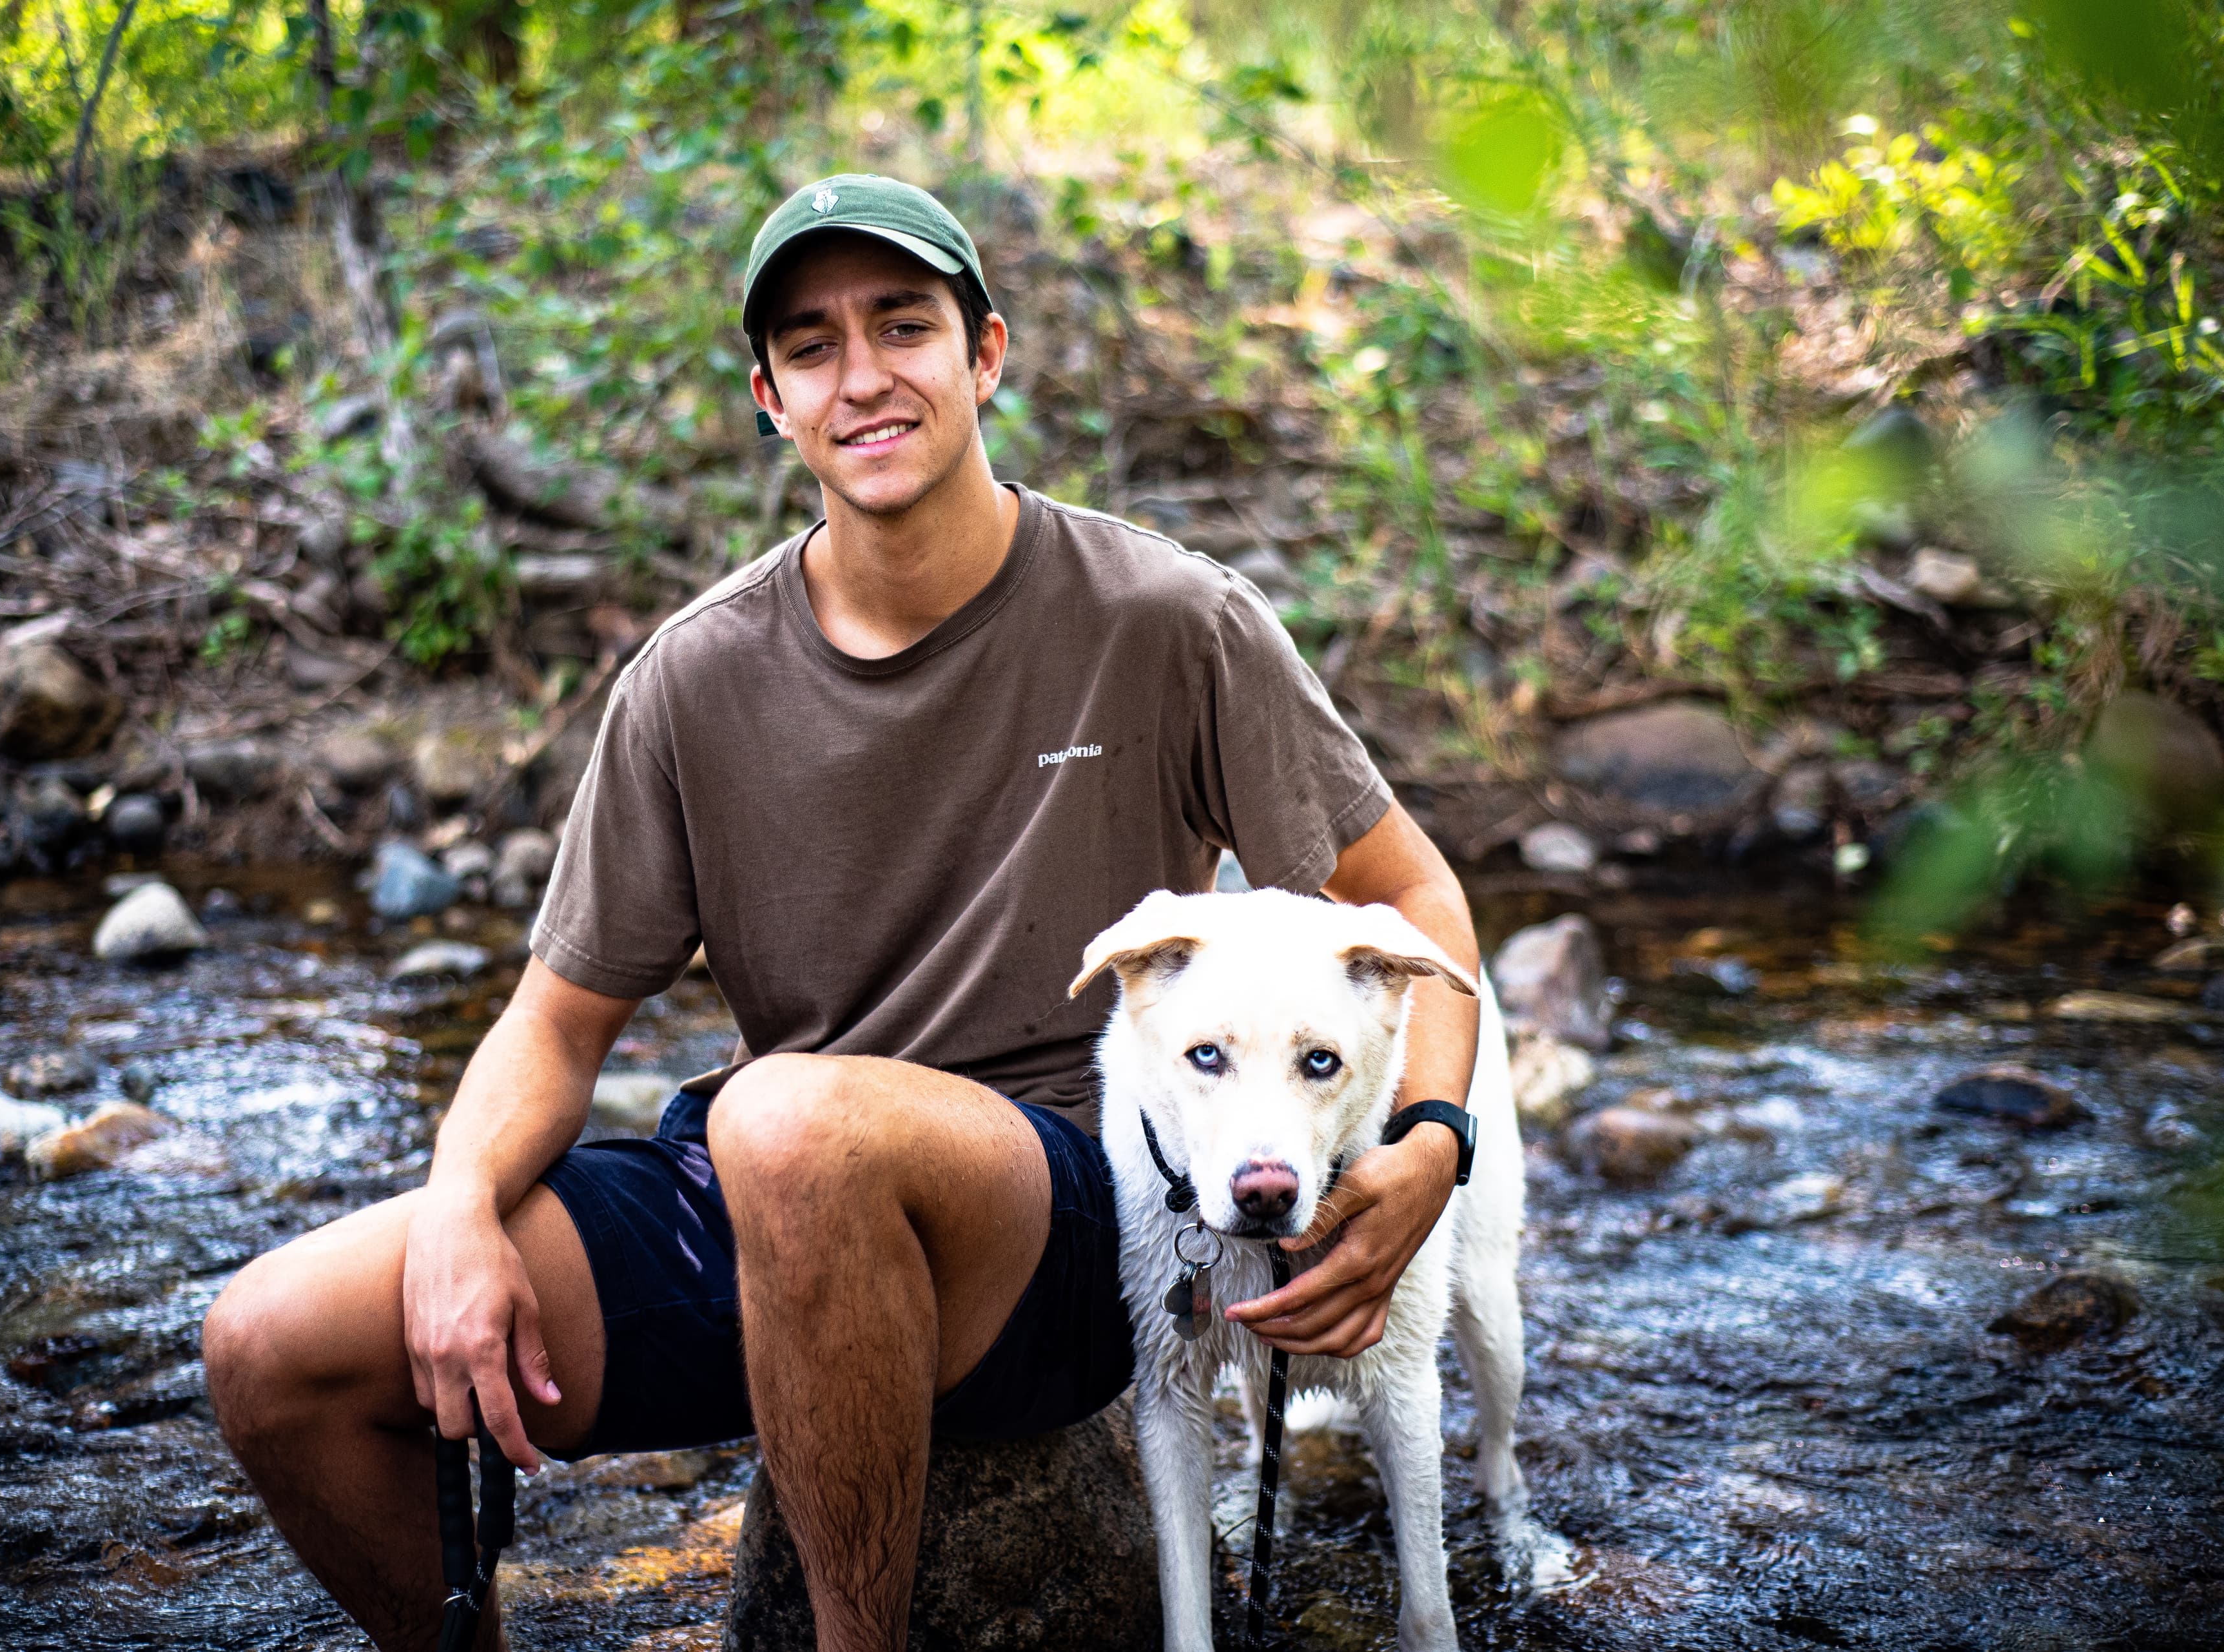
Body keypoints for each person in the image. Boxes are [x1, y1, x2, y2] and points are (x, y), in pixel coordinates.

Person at [202, 173, 1483, 1652]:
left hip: (1068, 1222)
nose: (862, 375)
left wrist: (1428, 1149)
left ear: (984, 354)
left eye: (903, 326)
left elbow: (1410, 899)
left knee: (790, 1121)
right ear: (771, 396)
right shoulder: (691, 680)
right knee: (273, 1346)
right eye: (812, 346)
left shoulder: (1167, 620)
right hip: (779, 1220)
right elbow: (551, 1029)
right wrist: (455, 1218)